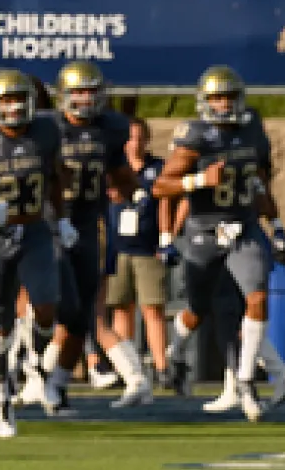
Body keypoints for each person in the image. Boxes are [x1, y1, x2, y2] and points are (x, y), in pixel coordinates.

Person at [151, 65, 285, 422]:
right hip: (204, 228)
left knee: (257, 297)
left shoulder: (252, 131)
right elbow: (160, 187)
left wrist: (274, 223)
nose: (223, 104)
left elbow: (259, 180)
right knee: (197, 310)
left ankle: (245, 379)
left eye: (228, 97)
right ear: (204, 101)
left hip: (242, 225)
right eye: (216, 98)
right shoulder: (195, 136)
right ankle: (175, 350)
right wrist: (198, 180)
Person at [0, 69, 72, 437]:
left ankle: (34, 359)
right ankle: (3, 394)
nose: (14, 105)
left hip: (35, 229)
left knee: (47, 308)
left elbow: (55, 177)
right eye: (6, 99)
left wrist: (62, 219)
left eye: (19, 98)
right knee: (0, 322)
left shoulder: (46, 130)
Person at [40, 62, 138, 412]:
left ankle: (56, 384)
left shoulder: (110, 129)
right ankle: (28, 368)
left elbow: (120, 173)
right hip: (47, 223)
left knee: (80, 315)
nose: (85, 98)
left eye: (91, 91)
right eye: (78, 91)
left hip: (87, 224)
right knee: (51, 305)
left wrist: (132, 192)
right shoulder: (46, 128)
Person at [102, 117, 182, 402]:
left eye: (139, 137)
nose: (134, 143)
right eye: (130, 137)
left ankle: (162, 367)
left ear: (147, 140)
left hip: (147, 248)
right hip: (118, 246)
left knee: (153, 309)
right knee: (121, 309)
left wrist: (168, 235)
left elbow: (174, 200)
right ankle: (129, 369)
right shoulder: (114, 168)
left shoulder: (157, 168)